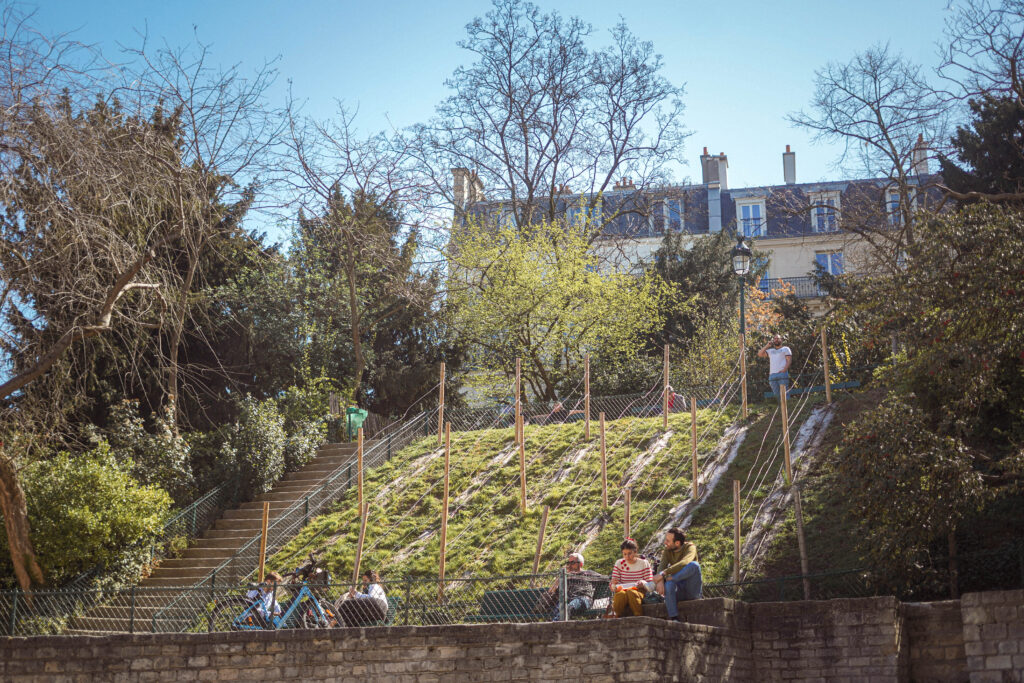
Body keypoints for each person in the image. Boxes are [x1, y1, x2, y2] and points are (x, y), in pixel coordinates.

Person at [652, 528, 702, 622]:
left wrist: (666, 574)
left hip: (692, 590)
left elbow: (685, 562)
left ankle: (673, 579)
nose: (665, 543)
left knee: (694, 565)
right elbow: (661, 566)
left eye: (668, 541)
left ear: (677, 543)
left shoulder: (690, 547)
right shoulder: (667, 551)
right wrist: (660, 581)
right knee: (669, 584)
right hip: (678, 590)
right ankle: (674, 618)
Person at [546, 552, 600, 621]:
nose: (569, 565)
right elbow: (551, 591)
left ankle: (555, 626)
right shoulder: (567, 576)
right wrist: (561, 577)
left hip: (583, 599)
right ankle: (557, 627)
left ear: (580, 564)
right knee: (559, 608)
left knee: (569, 607)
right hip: (568, 600)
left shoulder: (588, 573)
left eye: (572, 563)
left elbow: (606, 579)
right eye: (568, 563)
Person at [610, 539, 654, 618]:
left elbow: (651, 584)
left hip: (639, 591)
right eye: (625, 554)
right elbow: (613, 587)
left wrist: (643, 584)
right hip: (622, 590)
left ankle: (639, 617)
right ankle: (618, 617)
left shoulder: (643, 563)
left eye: (630, 553)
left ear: (635, 552)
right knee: (620, 595)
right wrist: (614, 584)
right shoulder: (619, 563)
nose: (627, 557)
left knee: (632, 592)